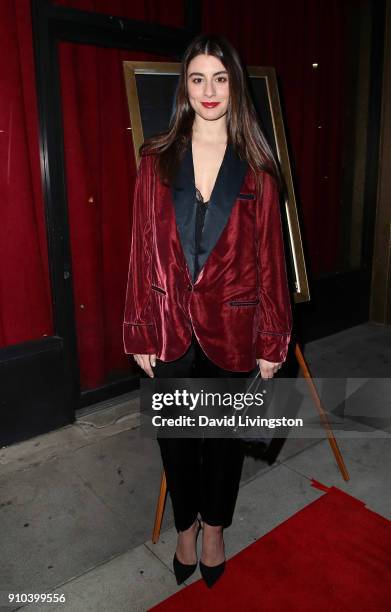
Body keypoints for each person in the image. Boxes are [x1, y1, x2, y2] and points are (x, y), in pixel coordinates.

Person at [123, 33, 293, 588]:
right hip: (170, 329)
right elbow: (141, 250)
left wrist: (273, 341)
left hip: (233, 327)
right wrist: (139, 328)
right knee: (176, 438)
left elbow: (271, 263)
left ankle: (215, 526)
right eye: (198, 79)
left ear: (234, 86)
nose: (210, 90)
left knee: (221, 442)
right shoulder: (155, 160)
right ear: (185, 88)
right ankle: (185, 527)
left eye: (220, 78)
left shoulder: (258, 170)